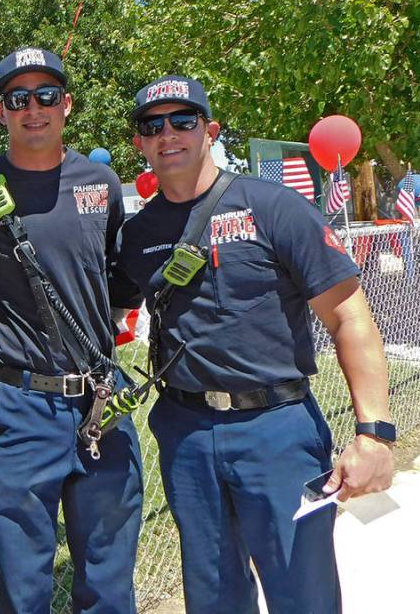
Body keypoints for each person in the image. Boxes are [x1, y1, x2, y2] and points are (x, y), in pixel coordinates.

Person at [109, 75, 395, 613]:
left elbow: (349, 317)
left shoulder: (274, 207)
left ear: (210, 130)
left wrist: (374, 433)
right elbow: (109, 309)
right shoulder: (136, 234)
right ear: (139, 144)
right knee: (214, 594)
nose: (168, 134)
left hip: (277, 432)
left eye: (183, 120)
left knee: (302, 592)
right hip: (186, 433)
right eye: (152, 126)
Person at [0, 48, 143, 613]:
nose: (34, 108)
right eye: (19, 98)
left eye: (47, 96)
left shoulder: (100, 184)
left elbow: (115, 277)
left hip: (101, 403)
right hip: (20, 408)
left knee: (109, 579)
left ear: (67, 104)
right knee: (25, 585)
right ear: (0, 110)